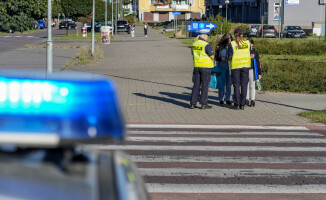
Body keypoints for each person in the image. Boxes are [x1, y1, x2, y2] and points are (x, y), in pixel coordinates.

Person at [190, 29, 215, 109]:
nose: (207, 37)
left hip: (196, 67)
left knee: (196, 85)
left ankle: (193, 103)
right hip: (205, 68)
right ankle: (203, 104)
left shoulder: (194, 44)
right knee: (205, 86)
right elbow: (212, 56)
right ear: (204, 35)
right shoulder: (206, 45)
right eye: (207, 35)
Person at [229, 29, 251, 110]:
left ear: (235, 35)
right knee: (244, 86)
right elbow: (249, 52)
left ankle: (236, 104)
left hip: (235, 67)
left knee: (236, 86)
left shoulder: (232, 44)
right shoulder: (248, 43)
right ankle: (242, 104)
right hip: (245, 67)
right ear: (242, 35)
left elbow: (229, 57)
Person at [215, 33, 233, 105]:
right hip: (221, 65)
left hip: (230, 66)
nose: (229, 40)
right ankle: (221, 99)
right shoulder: (220, 47)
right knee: (221, 83)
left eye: (230, 38)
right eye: (228, 38)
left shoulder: (232, 45)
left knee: (229, 83)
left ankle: (228, 98)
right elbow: (216, 57)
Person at [246, 38, 262, 107]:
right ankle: (246, 99)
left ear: (252, 44)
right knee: (245, 85)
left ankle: (252, 100)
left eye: (249, 43)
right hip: (245, 70)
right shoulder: (244, 52)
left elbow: (258, 63)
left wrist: (259, 73)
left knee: (252, 85)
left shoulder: (255, 53)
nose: (248, 45)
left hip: (252, 70)